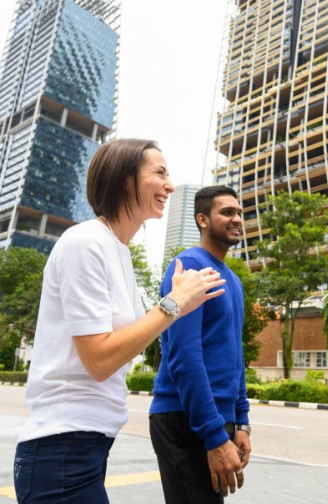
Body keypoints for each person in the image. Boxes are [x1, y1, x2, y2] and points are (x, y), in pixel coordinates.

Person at [13, 139, 227, 504]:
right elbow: (99, 359)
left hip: (85, 449)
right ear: (126, 180)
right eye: (159, 173)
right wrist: (173, 304)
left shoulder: (118, 253)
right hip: (61, 449)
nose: (170, 186)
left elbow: (123, 343)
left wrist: (176, 307)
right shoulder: (85, 243)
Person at [149, 185, 251, 503]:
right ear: (202, 219)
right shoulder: (190, 266)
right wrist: (212, 434)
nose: (237, 219)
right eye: (227, 212)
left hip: (217, 419)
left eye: (239, 213)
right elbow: (183, 355)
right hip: (184, 418)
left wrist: (242, 420)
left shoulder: (232, 280)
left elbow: (235, 355)